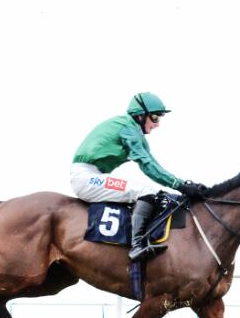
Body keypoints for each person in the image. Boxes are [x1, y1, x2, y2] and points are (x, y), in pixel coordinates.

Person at [70, 92, 209, 262]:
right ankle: (137, 246)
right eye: (156, 117)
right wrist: (181, 186)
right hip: (86, 177)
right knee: (146, 192)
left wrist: (184, 183)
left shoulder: (133, 131)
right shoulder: (128, 128)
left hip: (92, 175)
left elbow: (153, 165)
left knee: (152, 193)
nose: (158, 124)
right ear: (141, 115)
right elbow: (147, 166)